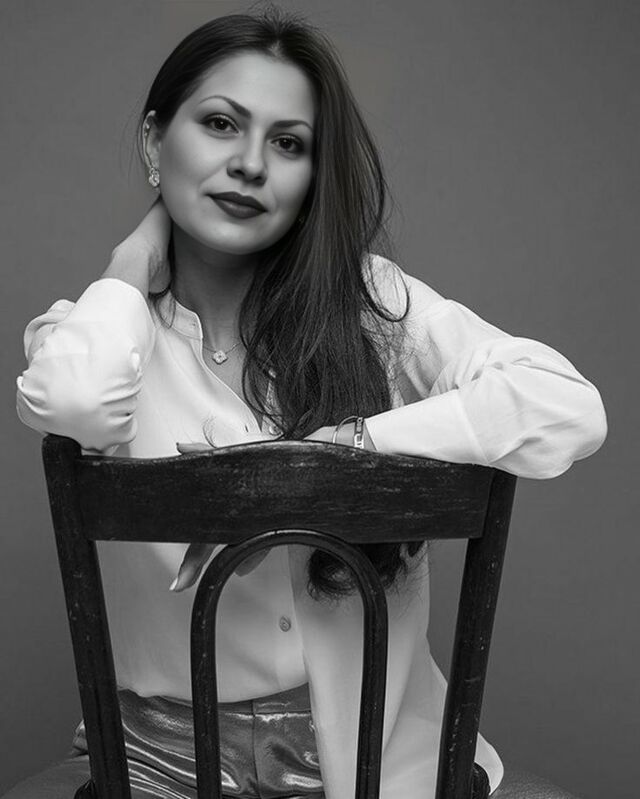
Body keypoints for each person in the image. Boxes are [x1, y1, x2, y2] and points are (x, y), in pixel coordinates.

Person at [10, 8, 606, 799]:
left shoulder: (371, 306)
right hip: (160, 768)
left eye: (288, 143)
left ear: (311, 177)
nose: (250, 164)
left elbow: (566, 405)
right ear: (156, 142)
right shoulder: (96, 332)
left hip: (376, 762)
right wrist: (134, 257)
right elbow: (76, 400)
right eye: (220, 124)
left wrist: (345, 449)